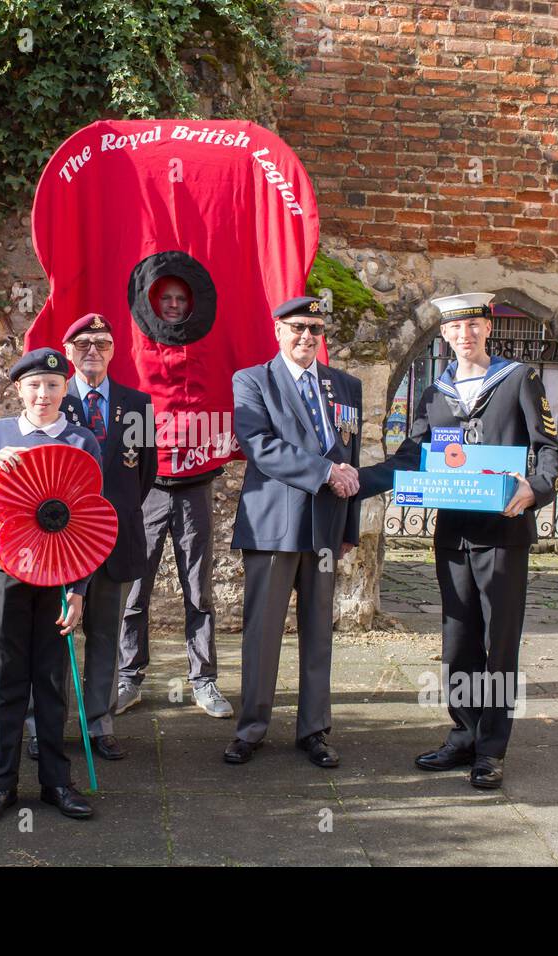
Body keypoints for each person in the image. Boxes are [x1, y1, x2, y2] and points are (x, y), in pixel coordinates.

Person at [357, 293, 558, 789]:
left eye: (474, 324)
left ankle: (492, 748)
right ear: (445, 335)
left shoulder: (518, 379)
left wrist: (534, 489)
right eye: (456, 328)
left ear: (487, 328)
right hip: (454, 535)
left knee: (499, 644)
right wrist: (354, 481)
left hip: (504, 532)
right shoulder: (435, 394)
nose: (466, 334)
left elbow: (549, 451)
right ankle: (465, 732)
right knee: (457, 643)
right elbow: (411, 458)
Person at [0, 347, 102, 824]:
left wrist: (81, 590)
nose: (43, 394)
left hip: (60, 577)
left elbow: (90, 523)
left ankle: (56, 783)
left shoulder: (83, 442)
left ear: (66, 390)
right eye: (34, 386)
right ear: (18, 389)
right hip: (6, 573)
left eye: (52, 385)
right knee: (9, 681)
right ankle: (1, 784)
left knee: (51, 680)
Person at [223, 296, 362, 768]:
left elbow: (353, 463)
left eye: (316, 329)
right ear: (278, 329)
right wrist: (325, 472)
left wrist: (352, 526)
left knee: (319, 629)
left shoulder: (345, 387)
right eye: (298, 327)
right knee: (262, 631)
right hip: (272, 525)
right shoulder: (253, 380)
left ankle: (314, 730)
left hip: (325, 524)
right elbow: (260, 445)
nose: (307, 337)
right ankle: (252, 728)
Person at [24, 314, 158, 763]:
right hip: (60, 543)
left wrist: (109, 514)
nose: (92, 351)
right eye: (82, 343)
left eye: (101, 342)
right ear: (67, 351)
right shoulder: (54, 402)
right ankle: (46, 725)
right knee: (54, 636)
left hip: (115, 539)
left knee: (105, 636)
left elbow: (143, 473)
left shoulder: (138, 406)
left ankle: (98, 722)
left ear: (114, 349)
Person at [118, 278, 232, 719]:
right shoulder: (139, 346)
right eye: (165, 298)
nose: (172, 305)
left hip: (195, 486)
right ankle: (129, 675)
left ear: (191, 305)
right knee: (134, 589)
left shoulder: (206, 343)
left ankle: (203, 680)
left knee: (199, 590)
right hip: (148, 487)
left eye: (180, 298)